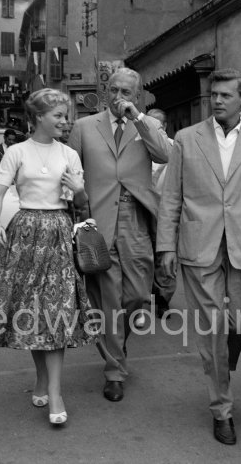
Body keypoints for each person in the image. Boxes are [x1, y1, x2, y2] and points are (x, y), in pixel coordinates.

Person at [156, 68, 241, 445]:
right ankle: (222, 408)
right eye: (214, 94)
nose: (216, 100)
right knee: (211, 327)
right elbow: (172, 198)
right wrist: (166, 245)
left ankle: (221, 364)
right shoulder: (185, 139)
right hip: (199, 248)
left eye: (225, 95)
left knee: (239, 320)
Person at [0, 88, 96, 426]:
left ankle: (55, 392)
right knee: (33, 312)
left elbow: (80, 203)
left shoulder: (69, 154)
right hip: (24, 233)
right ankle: (41, 379)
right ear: (38, 117)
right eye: (58, 116)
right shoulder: (17, 152)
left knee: (56, 310)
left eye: (66, 116)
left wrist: (78, 187)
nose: (65, 122)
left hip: (58, 232)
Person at [67, 67, 171, 403]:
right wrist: (78, 216)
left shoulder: (147, 126)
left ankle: (116, 340)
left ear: (137, 95)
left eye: (126, 92)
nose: (118, 97)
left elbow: (165, 154)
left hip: (136, 220)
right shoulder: (84, 127)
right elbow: (71, 175)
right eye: (113, 90)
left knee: (138, 296)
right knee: (109, 301)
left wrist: (138, 118)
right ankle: (115, 371)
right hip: (98, 222)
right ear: (104, 89)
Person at [146, 108, 175, 319]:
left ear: (163, 127)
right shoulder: (136, 148)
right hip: (142, 210)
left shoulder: (175, 148)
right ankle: (146, 292)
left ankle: (163, 298)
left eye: (156, 125)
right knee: (144, 255)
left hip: (167, 212)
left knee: (166, 255)